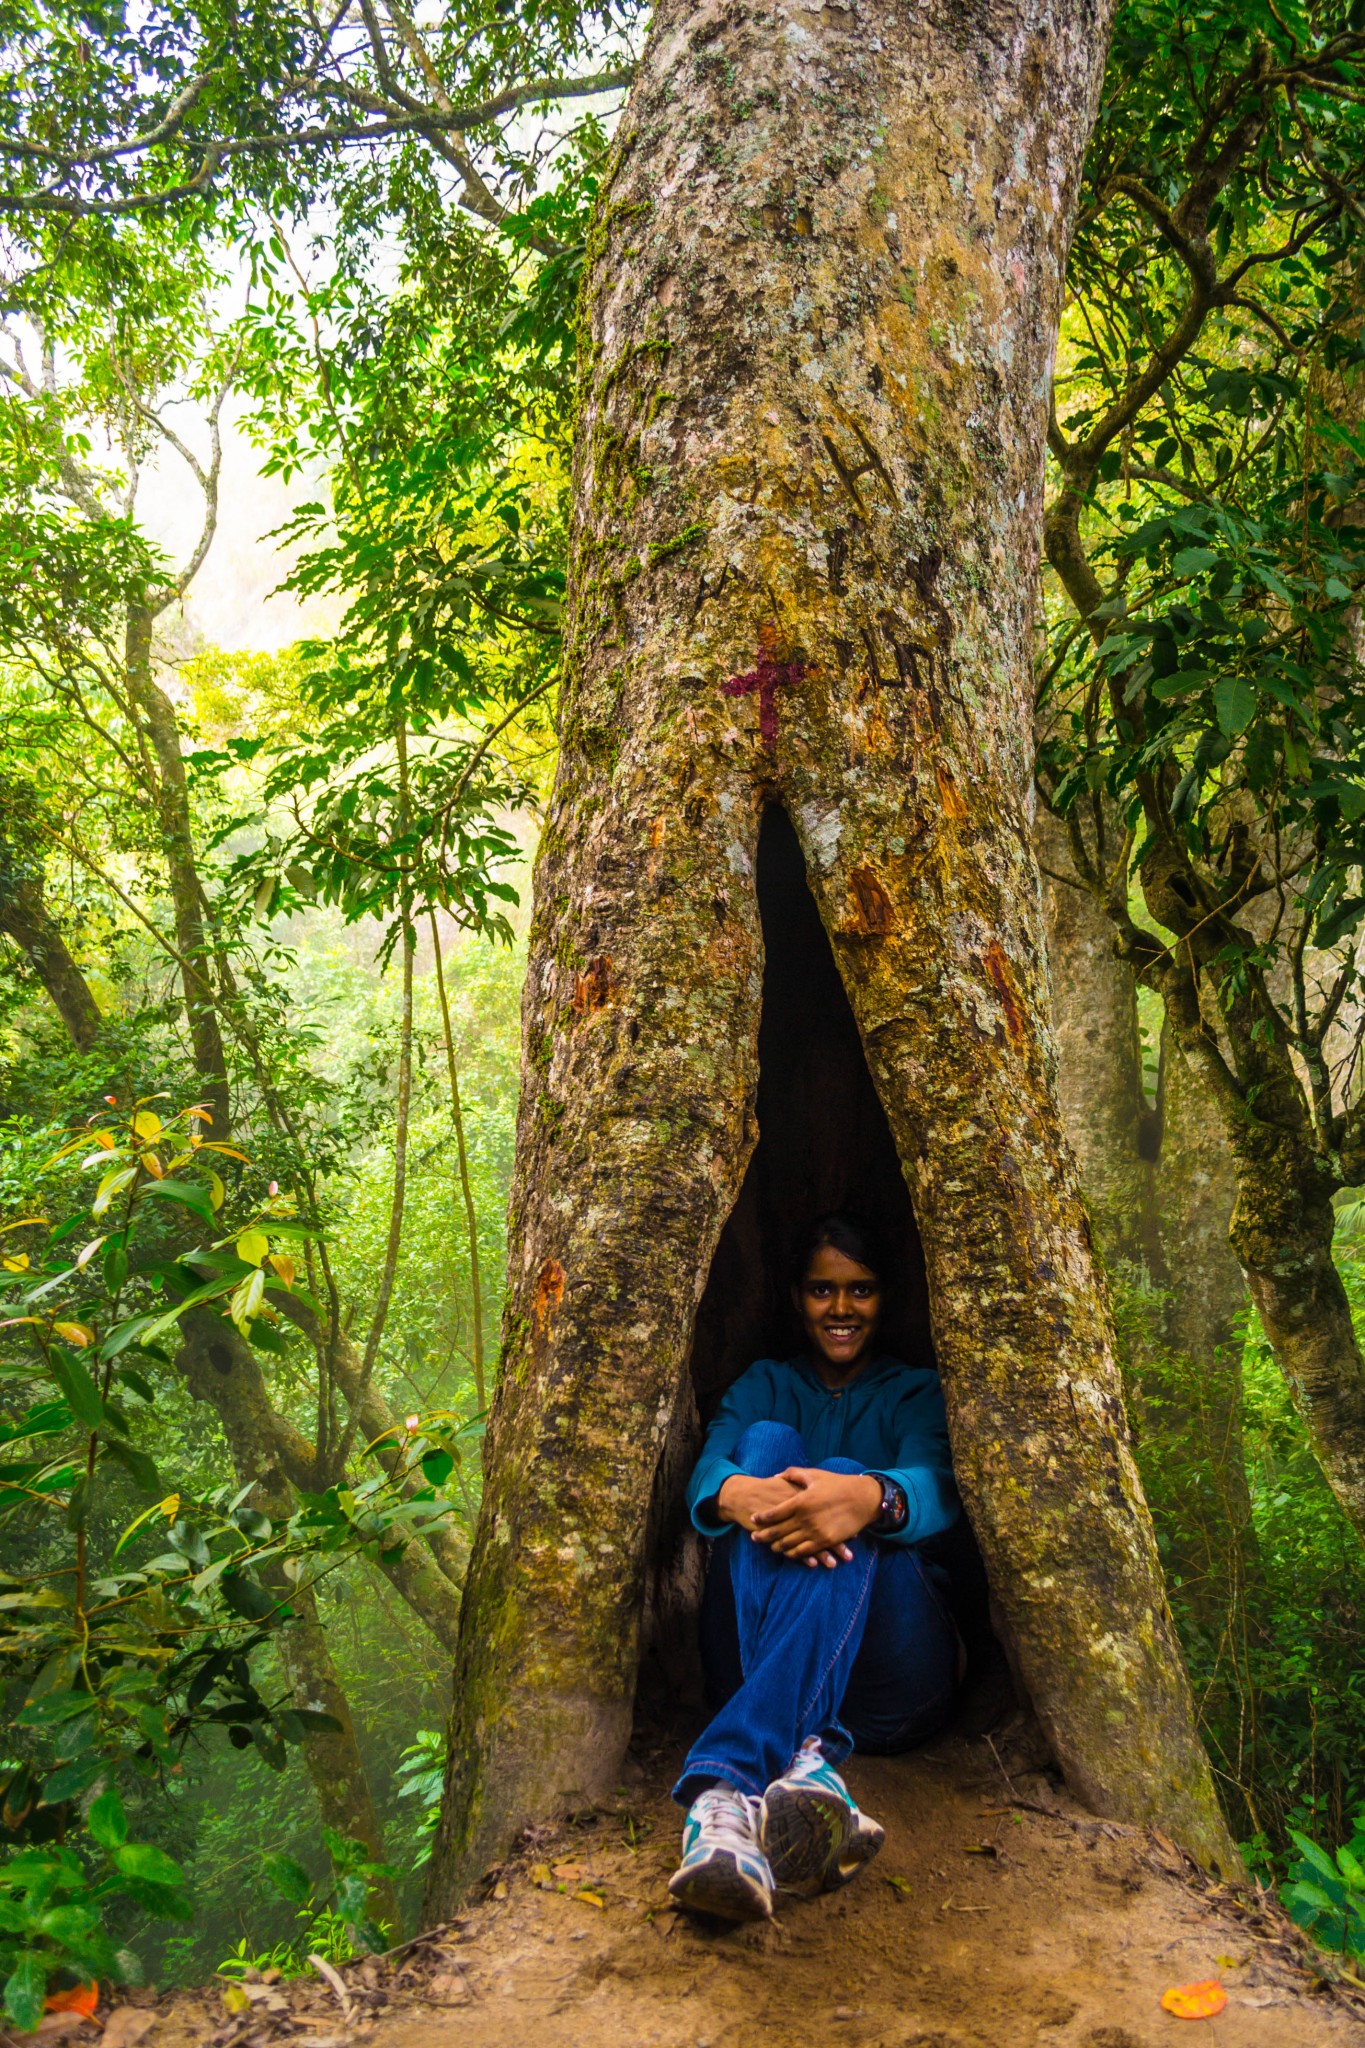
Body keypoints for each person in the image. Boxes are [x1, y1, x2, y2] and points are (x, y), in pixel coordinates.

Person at [668, 1212, 961, 1922]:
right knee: (764, 1444)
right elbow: (711, 1467)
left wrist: (865, 1497)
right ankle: (804, 1758)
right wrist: (737, 1493)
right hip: (753, 1654)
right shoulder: (765, 1382)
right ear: (795, 1298)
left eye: (858, 1290)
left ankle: (724, 1788)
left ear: (884, 1298)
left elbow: (940, 1487)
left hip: (892, 1679)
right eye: (821, 1291)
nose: (839, 1309)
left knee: (840, 1471)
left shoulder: (914, 1391)